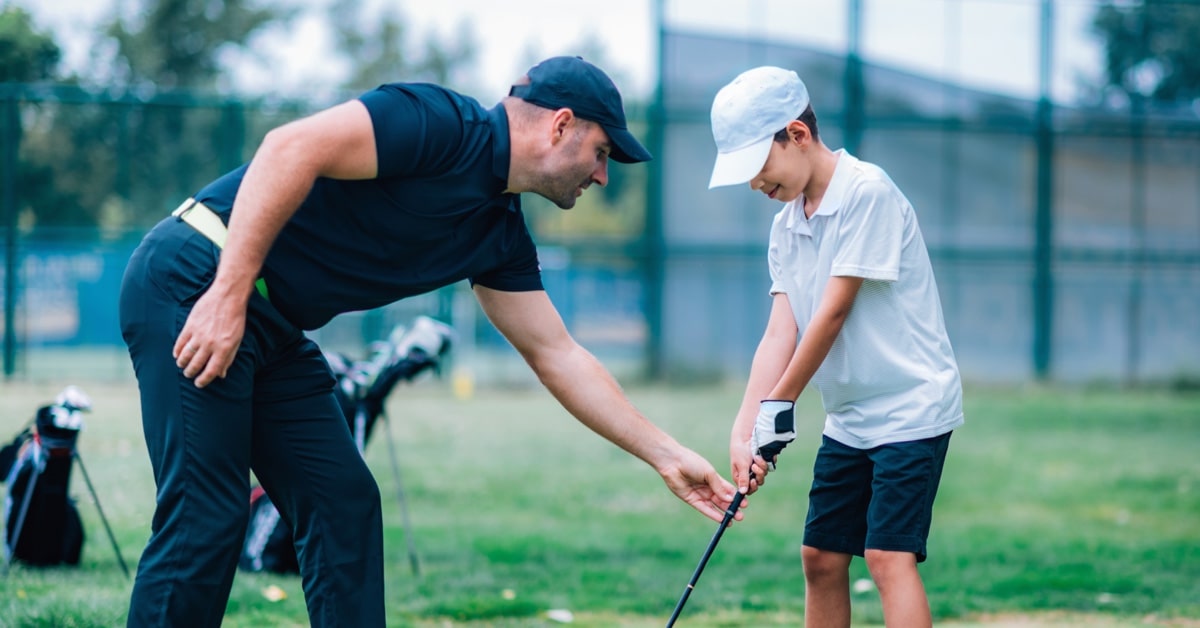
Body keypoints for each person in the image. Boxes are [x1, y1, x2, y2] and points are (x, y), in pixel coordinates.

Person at [118, 55, 742, 627]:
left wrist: (666, 454)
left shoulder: (498, 235)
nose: (603, 176)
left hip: (274, 327)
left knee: (344, 504)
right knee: (207, 514)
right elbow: (287, 149)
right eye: (603, 153)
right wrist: (228, 296)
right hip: (197, 278)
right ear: (561, 126)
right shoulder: (436, 123)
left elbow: (559, 355)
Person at [707, 66, 964, 627]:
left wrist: (778, 407)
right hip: (851, 417)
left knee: (886, 555)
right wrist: (745, 426)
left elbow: (831, 313)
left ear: (796, 135)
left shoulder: (866, 193)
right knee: (821, 556)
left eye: (758, 166)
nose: (754, 183)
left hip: (912, 407)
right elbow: (782, 330)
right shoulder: (786, 227)